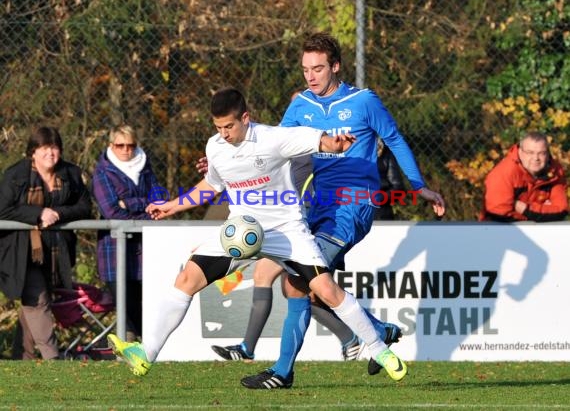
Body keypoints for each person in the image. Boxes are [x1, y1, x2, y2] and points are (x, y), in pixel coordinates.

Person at [107, 87, 408, 387]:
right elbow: (211, 186)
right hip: (241, 232)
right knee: (187, 278)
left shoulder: (272, 138)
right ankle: (147, 354)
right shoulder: (216, 147)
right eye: (218, 127)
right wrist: (171, 205)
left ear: (245, 118)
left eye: (229, 126)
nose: (223, 133)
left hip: (286, 231)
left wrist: (335, 144)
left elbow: (315, 139)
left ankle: (380, 350)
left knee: (326, 290)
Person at [214, 32, 445, 385]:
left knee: (298, 284)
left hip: (354, 204)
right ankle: (378, 331)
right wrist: (226, 162)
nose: (311, 76)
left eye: (318, 68)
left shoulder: (363, 101)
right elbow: (272, 148)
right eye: (306, 69)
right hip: (318, 205)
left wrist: (419, 187)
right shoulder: (300, 107)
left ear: (335, 67)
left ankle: (282, 372)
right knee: (308, 285)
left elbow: (395, 139)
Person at [0, 126, 91, 360]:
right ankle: (53, 359)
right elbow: (4, 209)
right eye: (44, 148)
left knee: (36, 301)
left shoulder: (70, 173)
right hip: (21, 251)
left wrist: (58, 213)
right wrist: (37, 214)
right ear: (33, 151)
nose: (50, 153)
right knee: (37, 299)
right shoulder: (16, 175)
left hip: (56, 250)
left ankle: (23, 357)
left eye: (54, 147)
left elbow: (84, 207)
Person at [92, 124, 163, 341]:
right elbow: (111, 211)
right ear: (111, 145)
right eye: (120, 145)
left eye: (131, 145)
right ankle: (130, 354)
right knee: (127, 307)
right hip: (114, 252)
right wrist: (145, 211)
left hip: (145, 249)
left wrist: (129, 204)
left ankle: (151, 349)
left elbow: (158, 201)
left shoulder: (145, 166)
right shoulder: (102, 172)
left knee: (150, 304)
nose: (126, 150)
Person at [480, 131, 568, 222]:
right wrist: (542, 212)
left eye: (542, 153)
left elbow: (561, 211)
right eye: (530, 152)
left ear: (547, 154)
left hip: (541, 231)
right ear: (520, 152)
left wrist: (524, 208)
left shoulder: (555, 171)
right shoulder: (503, 173)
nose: (536, 158)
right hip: (496, 231)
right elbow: (499, 213)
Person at [374, 141, 405, 221]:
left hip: (380, 213)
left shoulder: (386, 153)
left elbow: (398, 188)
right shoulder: (346, 152)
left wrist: (380, 197)